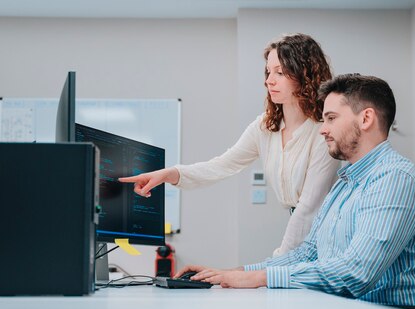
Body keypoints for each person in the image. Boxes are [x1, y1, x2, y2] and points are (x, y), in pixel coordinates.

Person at [179, 74, 415, 309]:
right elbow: (308, 253)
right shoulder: (345, 184)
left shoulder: (395, 179)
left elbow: (357, 271)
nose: (323, 129)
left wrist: (258, 278)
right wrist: (233, 273)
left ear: (366, 119)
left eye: (330, 118)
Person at [119, 33, 340, 256]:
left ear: (305, 75)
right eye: (268, 72)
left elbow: (308, 208)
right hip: (300, 237)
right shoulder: (265, 127)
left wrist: (275, 264)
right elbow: (221, 166)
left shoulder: (324, 131)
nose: (269, 80)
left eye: (280, 73)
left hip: (327, 238)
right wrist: (168, 174)